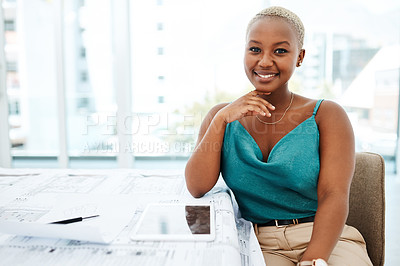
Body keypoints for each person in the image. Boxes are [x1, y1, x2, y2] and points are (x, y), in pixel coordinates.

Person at [184, 6, 373, 266]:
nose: (264, 61)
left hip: (326, 239)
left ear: (300, 56)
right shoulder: (222, 117)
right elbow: (197, 187)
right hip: (258, 243)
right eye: (255, 49)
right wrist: (221, 120)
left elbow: (334, 194)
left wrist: (313, 259)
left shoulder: (327, 115)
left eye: (280, 51)